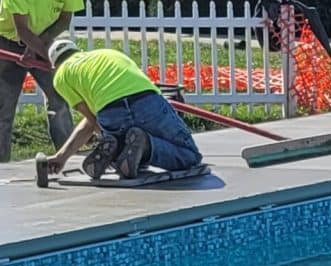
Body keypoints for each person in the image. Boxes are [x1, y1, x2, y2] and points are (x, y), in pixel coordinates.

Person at [40, 42, 206, 182]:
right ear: (78, 51)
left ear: (54, 66)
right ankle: (145, 145)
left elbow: (91, 119)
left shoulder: (61, 77)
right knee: (190, 156)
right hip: (146, 101)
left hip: (111, 112)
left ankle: (117, 153)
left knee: (123, 152)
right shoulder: (109, 53)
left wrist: (64, 156)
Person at [0, 0, 83, 163]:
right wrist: (39, 52)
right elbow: (22, 29)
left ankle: (67, 157)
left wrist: (44, 51)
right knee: (3, 106)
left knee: (60, 100)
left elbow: (64, 20)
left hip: (48, 43)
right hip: (9, 45)